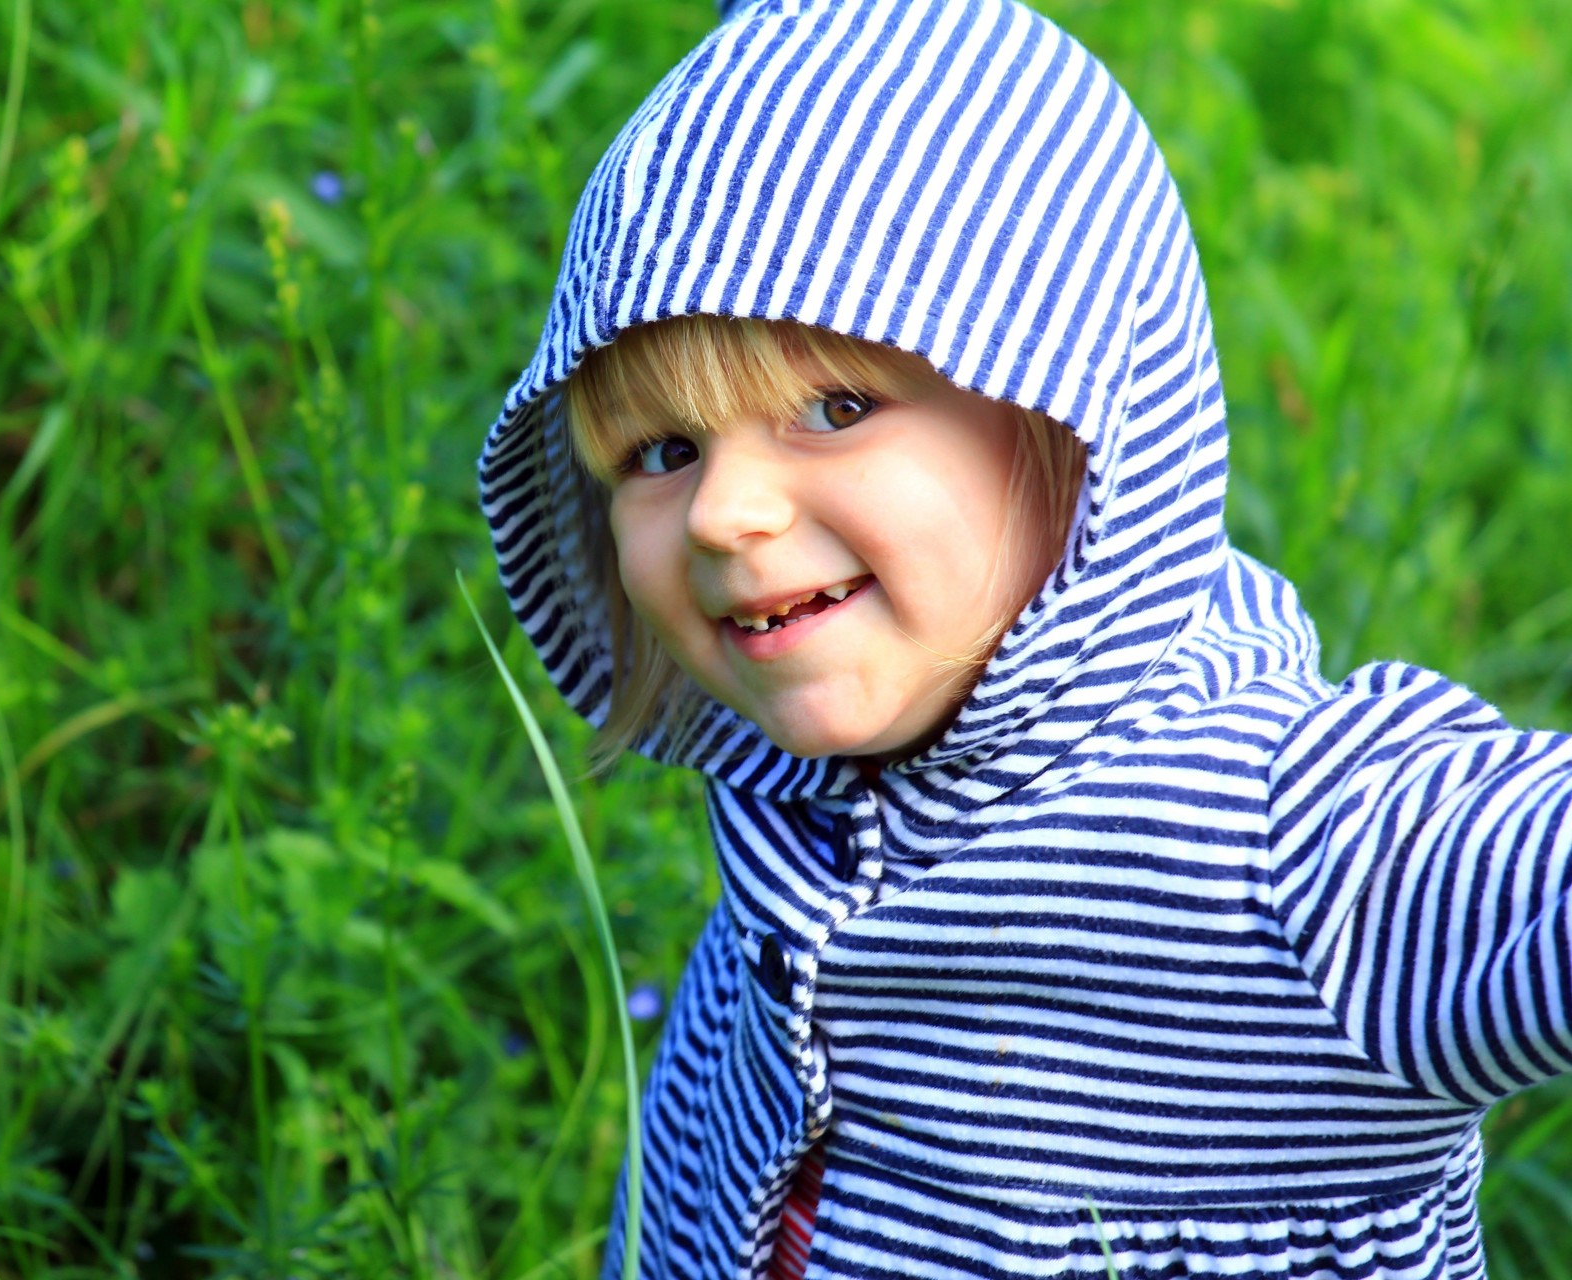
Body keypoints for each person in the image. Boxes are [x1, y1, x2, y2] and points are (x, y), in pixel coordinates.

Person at [475, 0, 1572, 1276]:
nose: (723, 513)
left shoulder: (1299, 841)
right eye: (661, 453)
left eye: (834, 407)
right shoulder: (798, 818)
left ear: (1069, 402)